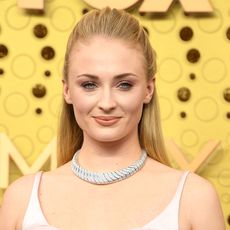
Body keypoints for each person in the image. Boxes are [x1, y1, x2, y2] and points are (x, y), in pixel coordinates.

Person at [0, 7, 225, 230]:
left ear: (148, 89)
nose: (107, 103)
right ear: (67, 90)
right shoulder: (21, 200)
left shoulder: (195, 199)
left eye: (124, 85)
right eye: (89, 85)